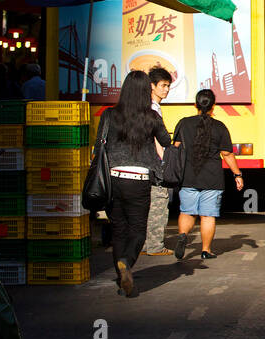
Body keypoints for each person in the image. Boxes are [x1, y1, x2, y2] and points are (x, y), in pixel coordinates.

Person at [93, 70, 171, 297]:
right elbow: (165, 140)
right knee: (138, 230)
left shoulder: (109, 115)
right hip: (139, 180)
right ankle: (126, 262)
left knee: (118, 230)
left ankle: (121, 281)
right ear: (147, 90)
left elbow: (100, 146)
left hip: (113, 178)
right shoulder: (151, 116)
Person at [173, 89, 244, 262]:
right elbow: (227, 154)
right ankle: (206, 250)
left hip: (187, 176)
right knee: (207, 215)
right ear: (214, 106)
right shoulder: (219, 127)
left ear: (195, 105)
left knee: (187, 212)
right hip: (212, 178)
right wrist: (237, 174)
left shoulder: (184, 123)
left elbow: (175, 147)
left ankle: (183, 235)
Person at [142, 66, 174, 256]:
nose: (166, 89)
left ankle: (145, 245)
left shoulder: (143, 106)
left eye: (168, 86)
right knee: (159, 203)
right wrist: (163, 161)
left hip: (142, 164)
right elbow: (157, 139)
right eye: (162, 85)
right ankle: (155, 246)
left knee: (147, 205)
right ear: (152, 86)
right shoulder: (153, 108)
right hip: (154, 164)